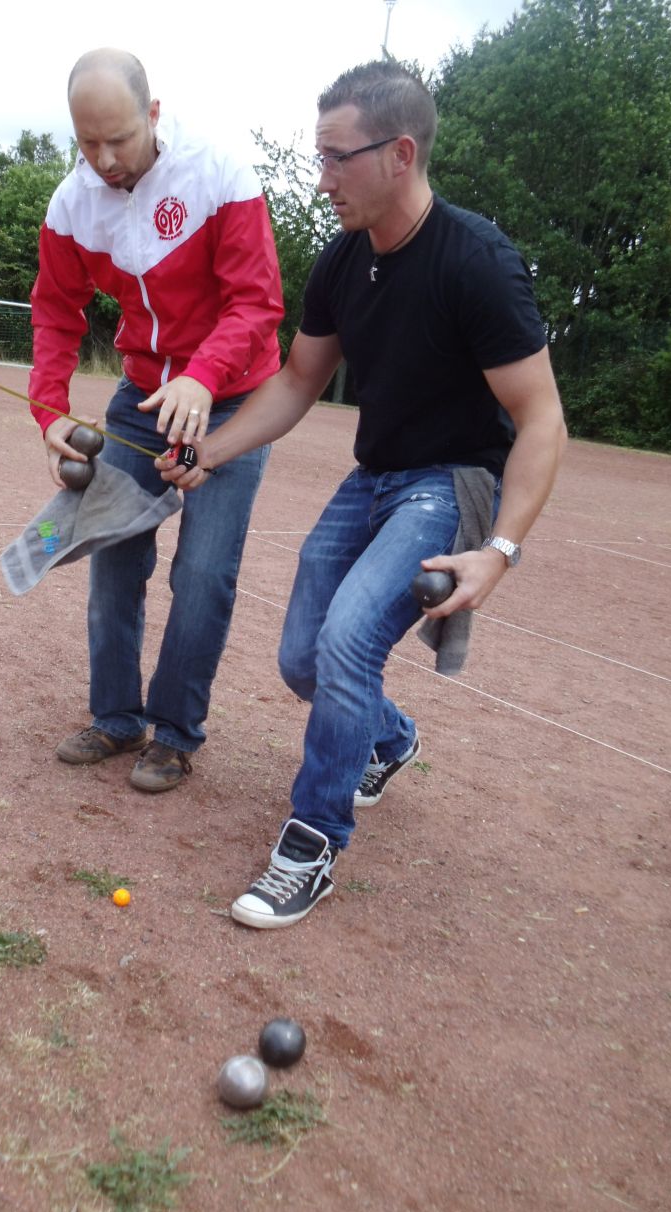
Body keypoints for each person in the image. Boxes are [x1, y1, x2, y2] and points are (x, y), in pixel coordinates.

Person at [159, 61, 567, 926]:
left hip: (449, 484)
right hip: (372, 478)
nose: (323, 178)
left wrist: (499, 552)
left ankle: (310, 847)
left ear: (401, 153)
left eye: (338, 158)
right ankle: (392, 737)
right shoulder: (345, 260)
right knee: (301, 658)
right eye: (319, 157)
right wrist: (211, 450)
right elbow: (297, 380)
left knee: (346, 644)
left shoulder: (476, 262)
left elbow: (541, 421)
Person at [29, 48, 283, 793]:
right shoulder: (71, 205)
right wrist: (49, 409)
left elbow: (258, 302)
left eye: (119, 139)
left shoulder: (220, 179)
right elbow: (55, 310)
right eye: (87, 142)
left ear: (154, 115)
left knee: (203, 573)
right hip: (140, 399)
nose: (104, 160)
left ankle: (173, 734)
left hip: (233, 398)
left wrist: (204, 379)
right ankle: (116, 717)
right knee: (112, 553)